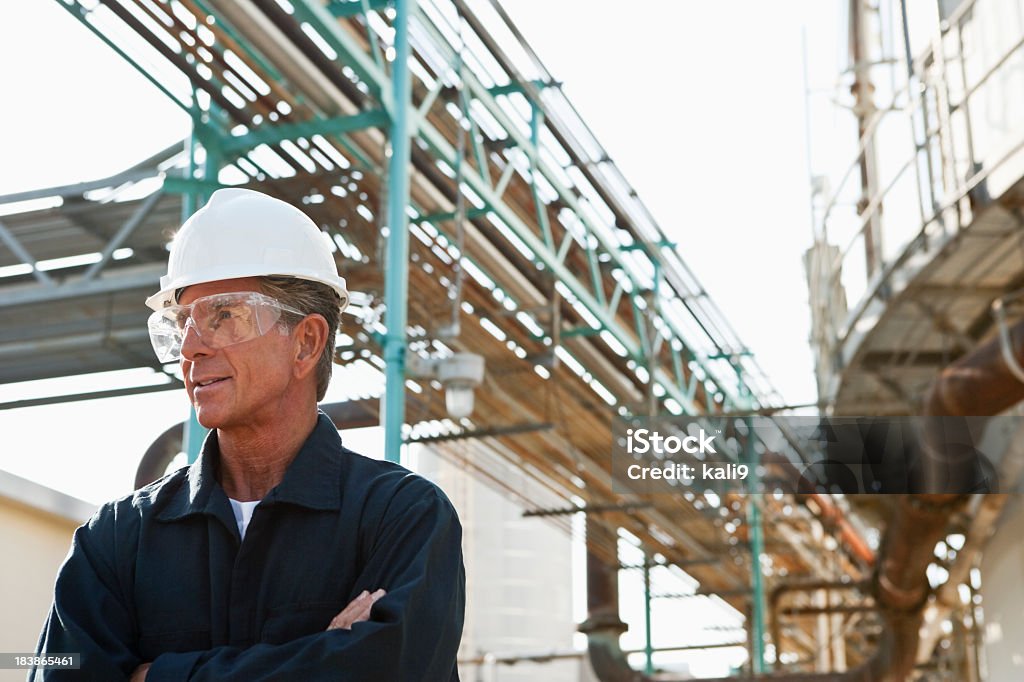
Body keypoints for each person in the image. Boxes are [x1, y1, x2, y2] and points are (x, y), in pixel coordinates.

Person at [30, 188, 466, 681]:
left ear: (306, 342)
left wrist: (154, 676)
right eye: (181, 323)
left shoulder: (402, 518)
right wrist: (324, 657)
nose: (191, 348)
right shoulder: (114, 539)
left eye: (224, 316)